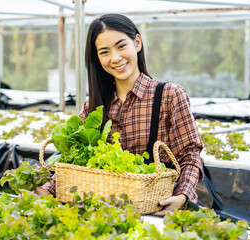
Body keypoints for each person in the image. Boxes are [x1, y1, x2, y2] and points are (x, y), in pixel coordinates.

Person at [37, 13, 204, 216]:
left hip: (152, 212)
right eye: (104, 52)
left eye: (121, 46)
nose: (115, 58)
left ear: (137, 43)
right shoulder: (93, 107)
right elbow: (74, 160)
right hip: (101, 212)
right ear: (97, 59)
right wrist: (48, 188)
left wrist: (181, 197)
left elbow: (190, 155)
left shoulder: (169, 95)